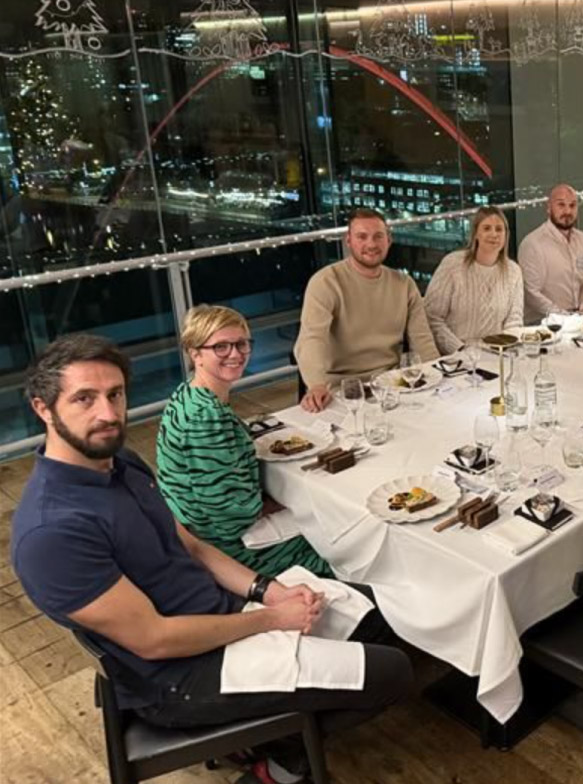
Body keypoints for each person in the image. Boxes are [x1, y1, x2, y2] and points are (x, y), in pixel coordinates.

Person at [11, 334, 411, 777]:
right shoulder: (52, 531)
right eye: (83, 399)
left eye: (115, 394)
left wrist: (269, 590)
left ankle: (269, 731)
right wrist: (271, 619)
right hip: (179, 677)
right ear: (42, 408)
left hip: (222, 615)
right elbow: (154, 639)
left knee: (384, 614)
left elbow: (192, 545)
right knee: (392, 673)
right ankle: (281, 762)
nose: (107, 413)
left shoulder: (119, 463)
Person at [157, 306, 331, 579]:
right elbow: (231, 519)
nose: (235, 354)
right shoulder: (205, 419)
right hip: (225, 549)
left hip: (198, 532)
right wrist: (294, 501)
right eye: (221, 347)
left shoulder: (187, 393)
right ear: (195, 353)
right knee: (337, 547)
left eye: (241, 344)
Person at [294, 207, 438, 413]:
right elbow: (311, 338)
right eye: (362, 236)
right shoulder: (325, 282)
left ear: (389, 240)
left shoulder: (404, 284)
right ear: (348, 240)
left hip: (392, 385)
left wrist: (435, 372)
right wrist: (316, 384)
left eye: (378, 236)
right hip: (341, 389)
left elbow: (422, 338)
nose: (371, 244)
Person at [424, 207, 524, 355]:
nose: (494, 234)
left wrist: (506, 350)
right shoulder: (453, 265)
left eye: (499, 229)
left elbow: (514, 321)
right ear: (476, 233)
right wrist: (460, 350)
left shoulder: (514, 271)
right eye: (486, 228)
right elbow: (432, 318)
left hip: (497, 354)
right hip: (457, 356)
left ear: (506, 235)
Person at [518, 183, 583, 322]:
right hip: (542, 323)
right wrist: (563, 316)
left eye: (572, 205)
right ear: (548, 208)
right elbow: (531, 293)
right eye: (561, 205)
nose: (567, 211)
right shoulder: (533, 244)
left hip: (578, 319)